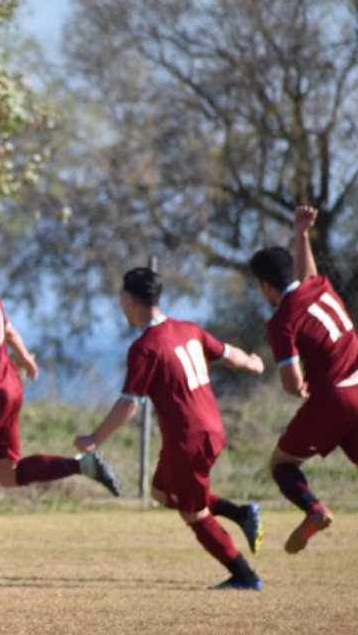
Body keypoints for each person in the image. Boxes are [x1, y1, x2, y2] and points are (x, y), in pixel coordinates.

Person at [0, 237, 121, 568]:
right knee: (7, 474)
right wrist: (25, 358)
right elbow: (8, 330)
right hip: (9, 390)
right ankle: (81, 465)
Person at [74, 267, 265, 590]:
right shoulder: (188, 329)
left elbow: (130, 405)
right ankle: (241, 512)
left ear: (130, 300)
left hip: (188, 440)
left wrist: (94, 438)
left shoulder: (145, 347)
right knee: (161, 492)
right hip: (211, 429)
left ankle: (245, 577)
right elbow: (228, 354)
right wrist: (254, 362)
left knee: (194, 514)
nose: (120, 303)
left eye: (121, 297)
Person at [249, 205, 358, 554]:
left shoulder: (282, 321)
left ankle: (314, 510)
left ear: (266, 286)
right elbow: (306, 273)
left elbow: (293, 383)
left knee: (282, 464)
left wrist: (300, 390)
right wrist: (301, 234)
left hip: (335, 398)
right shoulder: (321, 287)